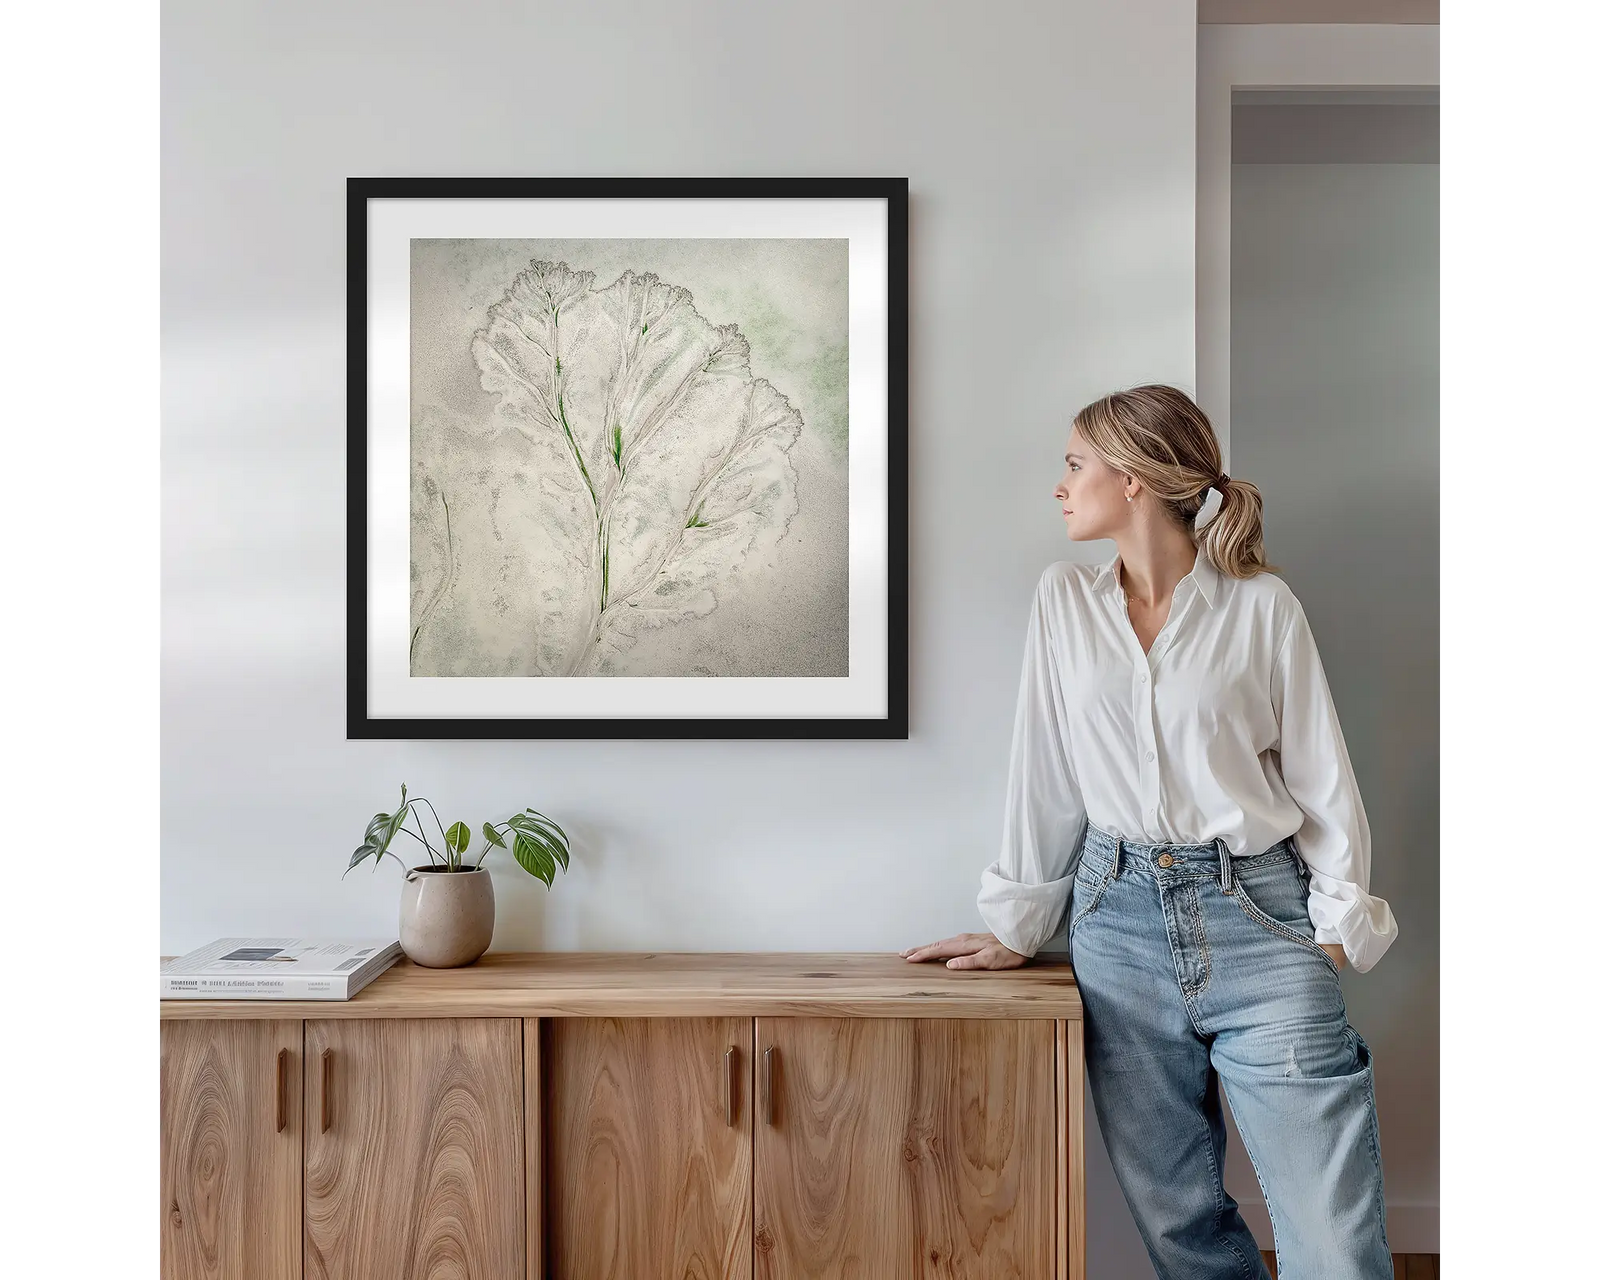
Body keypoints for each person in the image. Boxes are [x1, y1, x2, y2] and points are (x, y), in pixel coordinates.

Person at [902, 385, 1397, 1280]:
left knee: (1332, 1236)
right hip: (1117, 924)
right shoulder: (1063, 602)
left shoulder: (1262, 607)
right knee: (1180, 1227)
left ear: (1132, 479)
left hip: (1260, 915)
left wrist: (1332, 934)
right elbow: (1045, 773)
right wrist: (1019, 922)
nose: (1060, 486)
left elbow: (1323, 777)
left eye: (1074, 465)